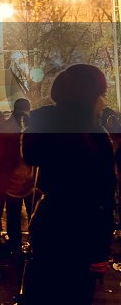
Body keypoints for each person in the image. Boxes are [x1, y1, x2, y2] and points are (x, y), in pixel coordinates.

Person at [21, 64, 116, 305]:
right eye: (99, 96)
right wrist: (100, 252)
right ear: (89, 98)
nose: (103, 102)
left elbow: (30, 155)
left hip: (49, 223)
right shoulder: (95, 137)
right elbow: (103, 197)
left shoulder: (46, 126)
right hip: (82, 233)